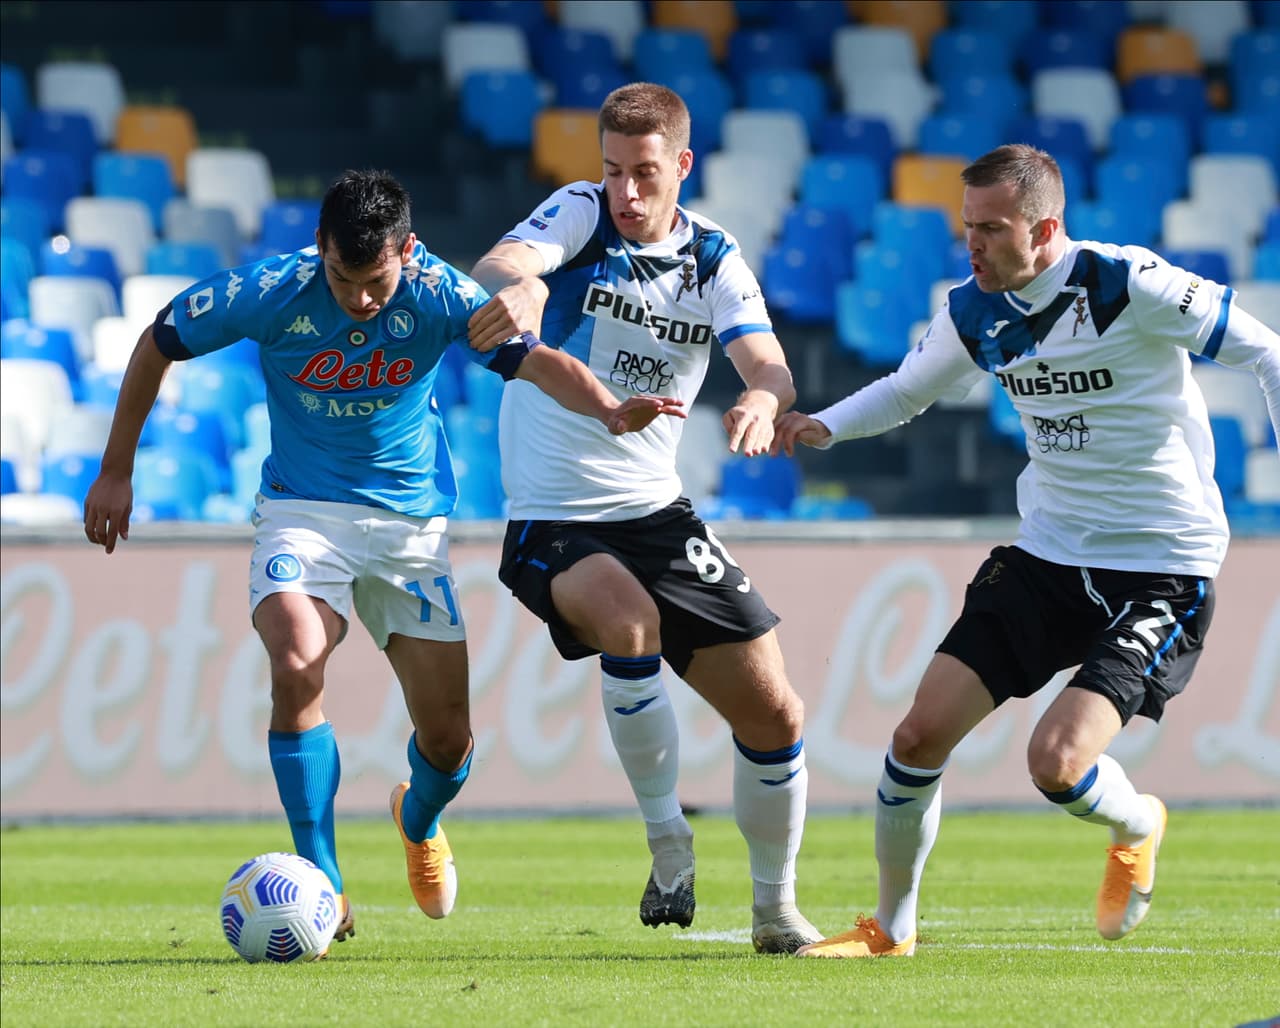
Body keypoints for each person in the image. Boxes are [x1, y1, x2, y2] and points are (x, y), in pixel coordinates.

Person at [82, 169, 681, 951]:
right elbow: (158, 341)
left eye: (375, 281)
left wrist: (607, 408)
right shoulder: (271, 288)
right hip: (303, 514)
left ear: (410, 251)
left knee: (449, 744)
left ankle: (417, 817)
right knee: (296, 662)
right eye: (341, 276)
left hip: (410, 532)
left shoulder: (440, 294)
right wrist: (117, 467)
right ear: (320, 249)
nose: (360, 300)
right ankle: (321, 875)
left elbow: (534, 362)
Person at [771, 143, 1280, 957]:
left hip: (1163, 567)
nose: (971, 245)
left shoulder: (1128, 284)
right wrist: (823, 424)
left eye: (991, 229)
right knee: (916, 740)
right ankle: (892, 931)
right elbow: (908, 390)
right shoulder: (974, 309)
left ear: (1045, 228)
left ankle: (1138, 822)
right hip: (1048, 556)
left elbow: (1267, 351)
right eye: (965, 228)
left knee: (1055, 762)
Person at [466, 82, 821, 954]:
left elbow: (768, 364)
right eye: (615, 171)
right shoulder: (579, 215)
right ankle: (669, 842)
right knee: (629, 625)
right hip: (552, 516)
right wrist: (521, 291)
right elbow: (499, 266)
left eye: (646, 174)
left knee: (776, 717)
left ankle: (775, 910)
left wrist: (763, 402)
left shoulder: (713, 258)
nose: (627, 193)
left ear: (683, 167)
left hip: (657, 514)